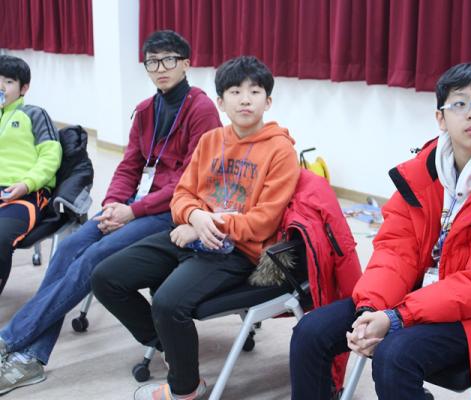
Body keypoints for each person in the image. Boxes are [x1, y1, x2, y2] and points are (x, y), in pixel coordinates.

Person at [289, 63, 471, 400]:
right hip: (427, 296)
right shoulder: (421, 174)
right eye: (459, 103)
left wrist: (398, 317)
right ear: (440, 118)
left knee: (394, 357)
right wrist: (370, 309)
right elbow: (395, 251)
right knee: (310, 332)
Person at [0, 30, 221, 395]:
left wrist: (132, 211)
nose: (160, 68)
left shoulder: (201, 110)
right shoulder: (146, 109)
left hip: (174, 210)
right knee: (69, 248)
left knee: (94, 257)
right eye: (152, 62)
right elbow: (129, 165)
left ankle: (11, 340)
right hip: (133, 206)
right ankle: (32, 357)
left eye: (168, 60)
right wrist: (112, 205)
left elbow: (189, 181)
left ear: (186, 63)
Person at [91, 55, 300, 400]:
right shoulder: (211, 140)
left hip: (239, 251)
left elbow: (263, 221)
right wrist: (194, 218)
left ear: (268, 101)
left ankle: (185, 389)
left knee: (168, 304)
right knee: (105, 277)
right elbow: (182, 195)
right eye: (235, 92)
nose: (245, 99)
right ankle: (171, 348)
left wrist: (205, 223)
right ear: (220, 102)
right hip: (192, 236)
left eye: (254, 91)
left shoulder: (280, 150)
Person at [0, 55, 62, 296]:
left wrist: (27, 184)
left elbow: (50, 156)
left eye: (8, 82)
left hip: (24, 193)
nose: (1, 87)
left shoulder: (35, 114)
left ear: (24, 88)